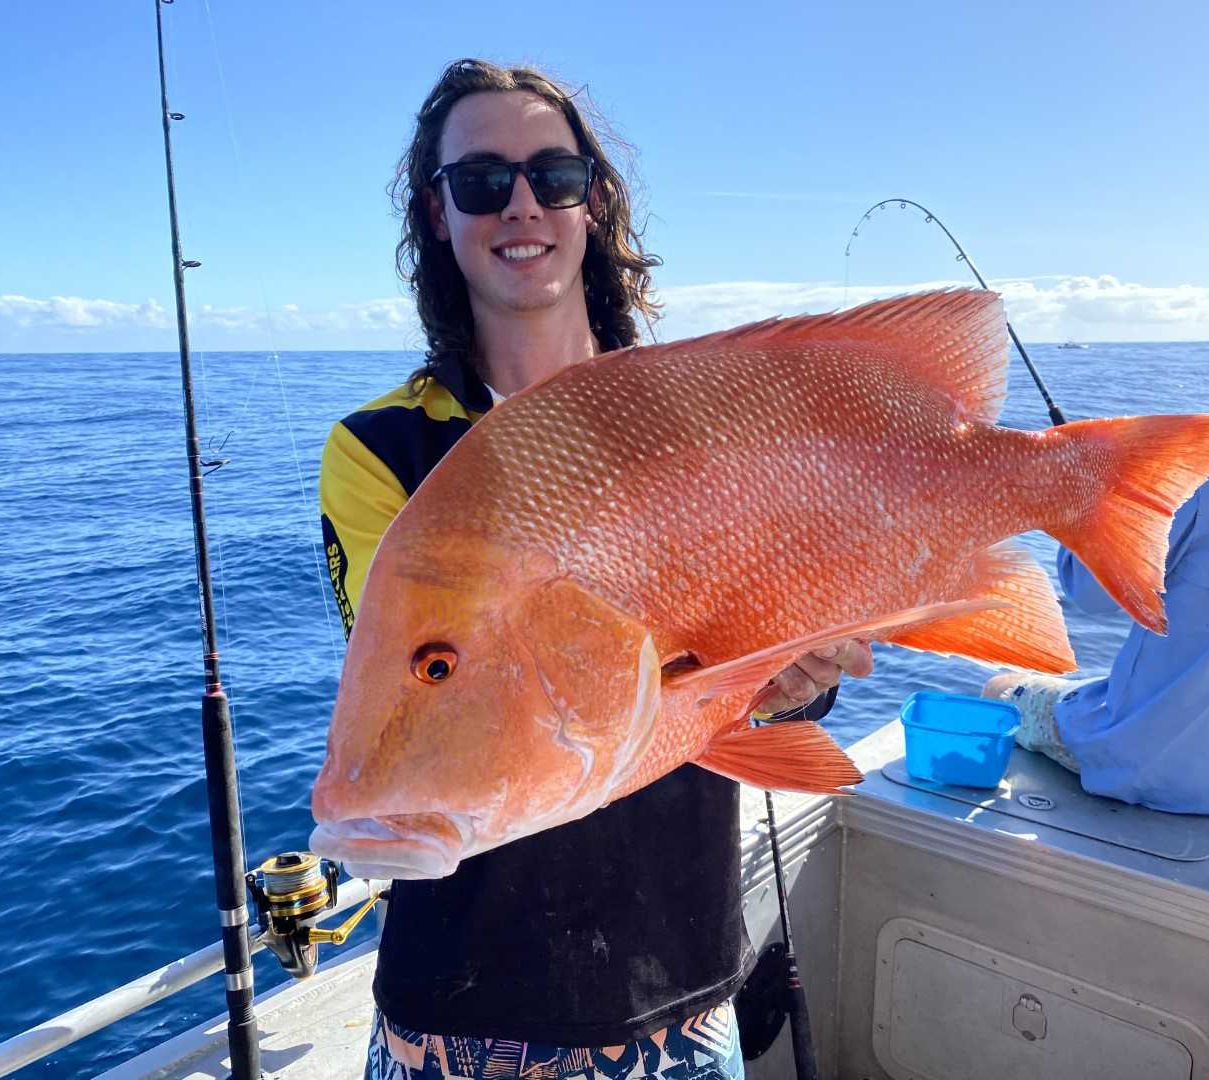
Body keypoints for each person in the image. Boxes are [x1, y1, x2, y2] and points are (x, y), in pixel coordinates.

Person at [318, 58, 871, 1080]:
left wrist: (800, 681)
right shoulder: (382, 449)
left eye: (553, 177)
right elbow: (415, 691)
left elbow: (766, 680)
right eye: (480, 181)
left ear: (594, 200)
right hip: (456, 1007)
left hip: (680, 990)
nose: (519, 205)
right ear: (437, 214)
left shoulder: (705, 421)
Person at [985, 287, 1209, 814]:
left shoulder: (1201, 463)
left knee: (1000, 685)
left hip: (1144, 770)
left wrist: (1081, 513)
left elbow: (1093, 594)